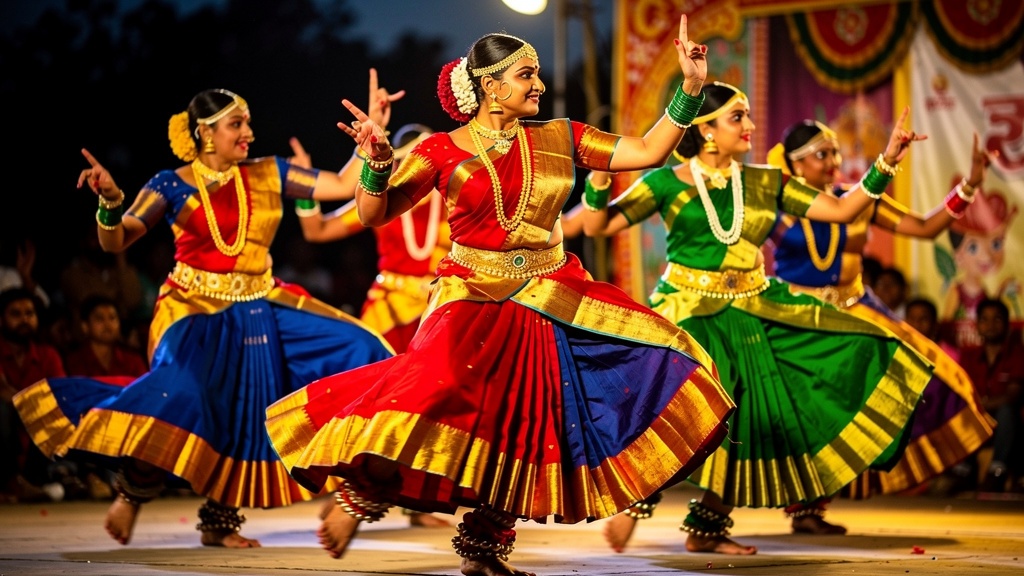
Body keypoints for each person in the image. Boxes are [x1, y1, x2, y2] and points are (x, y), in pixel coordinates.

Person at [265, 16, 737, 576]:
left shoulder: (561, 136)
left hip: (550, 292)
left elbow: (646, 151)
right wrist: (377, 165)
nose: (539, 85)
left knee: (537, 420)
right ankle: (359, 496)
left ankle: (485, 549)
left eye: (536, 74)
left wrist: (688, 88)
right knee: (433, 397)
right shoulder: (440, 151)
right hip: (471, 296)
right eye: (526, 75)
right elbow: (374, 213)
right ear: (490, 86)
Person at [12, 89, 394, 548]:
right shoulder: (170, 184)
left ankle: (300, 496)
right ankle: (133, 491)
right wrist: (110, 204)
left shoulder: (268, 172)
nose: (249, 133)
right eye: (236, 124)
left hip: (262, 302)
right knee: (185, 392)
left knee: (361, 348)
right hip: (194, 309)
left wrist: (371, 142)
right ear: (204, 133)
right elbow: (117, 243)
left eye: (248, 123)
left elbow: (338, 184)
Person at [581, 82, 933, 555]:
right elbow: (598, 226)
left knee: (756, 415)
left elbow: (843, 208)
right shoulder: (665, 183)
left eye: (747, 115)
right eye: (737, 117)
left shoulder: (768, 182)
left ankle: (707, 527)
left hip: (753, 307)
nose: (749, 126)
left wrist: (887, 160)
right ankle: (638, 503)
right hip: (689, 312)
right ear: (705, 130)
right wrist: (600, 179)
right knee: (689, 409)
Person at [767, 120, 995, 520]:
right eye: (822, 154)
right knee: (807, 413)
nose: (833, 162)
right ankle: (806, 507)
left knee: (932, 374)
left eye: (835, 152)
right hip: (799, 320)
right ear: (795, 165)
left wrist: (970, 187)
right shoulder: (775, 204)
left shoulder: (858, 197)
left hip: (857, 310)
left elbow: (924, 228)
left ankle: (823, 503)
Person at [0, 288, 66, 502]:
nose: (24, 320)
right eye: (16, 314)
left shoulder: (48, 355)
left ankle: (30, 482)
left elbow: (61, 398)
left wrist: (17, 399)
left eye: (30, 314)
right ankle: (11, 483)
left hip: (35, 438)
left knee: (51, 412)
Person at [958, 298, 1024, 492]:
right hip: (979, 419)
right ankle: (963, 467)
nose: (990, 325)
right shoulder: (969, 355)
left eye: (997, 319)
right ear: (977, 325)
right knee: (961, 410)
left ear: (1007, 324)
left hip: (1010, 424)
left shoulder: (1018, 354)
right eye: (984, 319)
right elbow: (962, 393)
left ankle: (998, 468)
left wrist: (981, 404)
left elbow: (1012, 395)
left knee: (1005, 411)